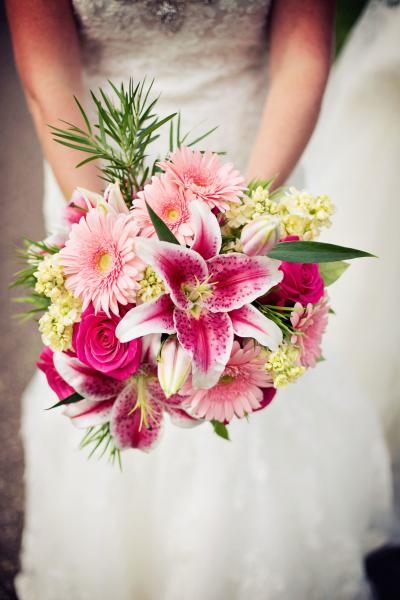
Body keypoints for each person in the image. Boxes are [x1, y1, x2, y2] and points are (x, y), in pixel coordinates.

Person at [5, 1, 394, 598]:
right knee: (122, 372)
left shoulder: (249, 211)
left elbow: (303, 56)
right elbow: (48, 77)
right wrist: (106, 230)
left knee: (251, 380)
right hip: (93, 167)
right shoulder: (101, 212)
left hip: (254, 162)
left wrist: (243, 229)